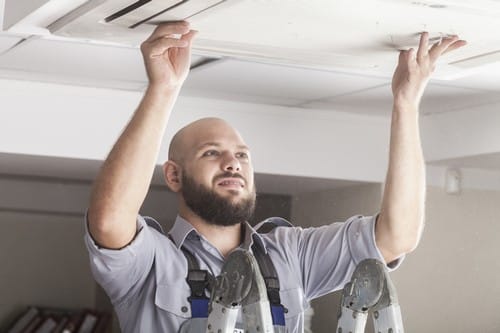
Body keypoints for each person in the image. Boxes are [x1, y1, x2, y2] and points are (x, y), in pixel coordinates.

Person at [84, 21, 466, 332]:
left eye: (242, 156)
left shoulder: (290, 254)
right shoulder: (150, 264)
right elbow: (109, 217)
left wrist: (406, 103)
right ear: (173, 175)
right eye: (212, 153)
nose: (233, 163)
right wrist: (163, 89)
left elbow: (397, 236)